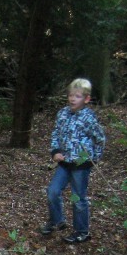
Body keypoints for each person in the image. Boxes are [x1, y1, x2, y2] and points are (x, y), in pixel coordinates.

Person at [40, 78, 106, 243]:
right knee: (52, 191)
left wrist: (93, 158)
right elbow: (56, 134)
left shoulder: (88, 118)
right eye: (70, 95)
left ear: (86, 99)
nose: (72, 99)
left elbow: (100, 139)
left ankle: (81, 231)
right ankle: (56, 221)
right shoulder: (63, 113)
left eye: (77, 96)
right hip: (64, 163)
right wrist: (55, 151)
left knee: (78, 198)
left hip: (81, 166)